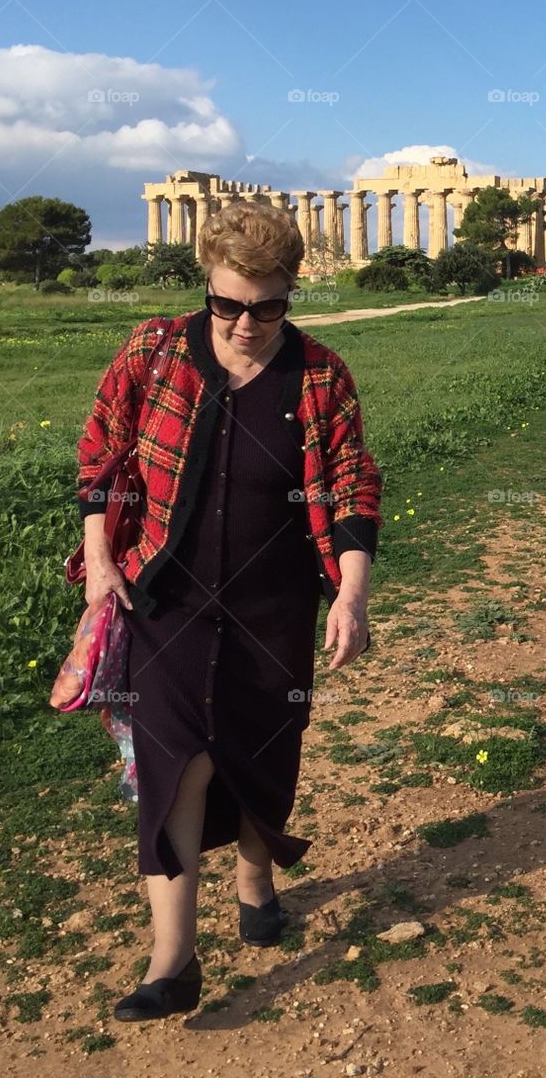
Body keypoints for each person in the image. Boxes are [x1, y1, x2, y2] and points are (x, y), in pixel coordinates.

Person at [75, 201, 383, 1022]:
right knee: (174, 769)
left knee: (256, 755)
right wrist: (100, 560)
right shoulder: (152, 349)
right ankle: (173, 961)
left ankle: (255, 871)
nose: (245, 324)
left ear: (292, 291)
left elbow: (352, 484)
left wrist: (349, 590)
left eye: (267, 306)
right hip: (161, 598)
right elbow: (102, 451)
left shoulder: (318, 375)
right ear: (205, 286)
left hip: (271, 607)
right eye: (227, 304)